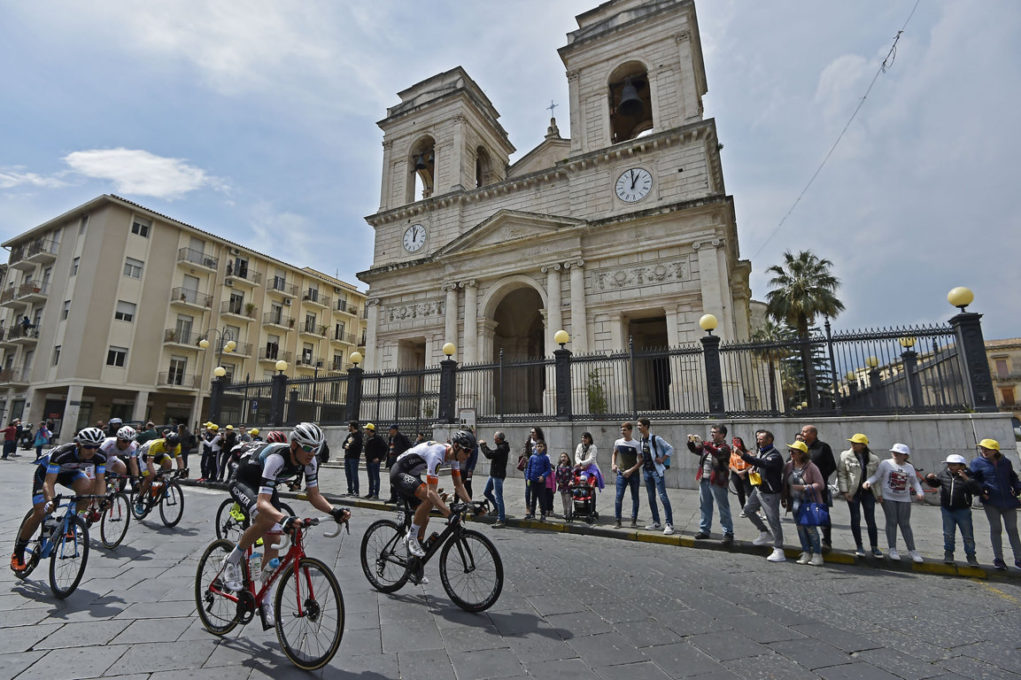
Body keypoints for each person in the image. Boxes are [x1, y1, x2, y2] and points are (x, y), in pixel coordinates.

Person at [221, 423, 350, 629]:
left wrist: (334, 511)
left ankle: (264, 601)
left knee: (274, 542)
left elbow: (314, 495)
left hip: (264, 484)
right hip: (244, 480)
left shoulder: (310, 462)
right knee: (267, 520)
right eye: (307, 448)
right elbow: (262, 503)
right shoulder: (276, 458)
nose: (312, 454)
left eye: (316, 449)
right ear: (294, 445)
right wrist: (283, 519)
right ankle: (231, 560)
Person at [11, 427, 108, 572]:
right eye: (88, 446)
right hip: (46, 474)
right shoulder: (62, 454)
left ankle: (71, 522)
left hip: (70, 473)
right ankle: (19, 550)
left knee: (87, 490)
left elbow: (100, 481)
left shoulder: (100, 456)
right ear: (79, 445)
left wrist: (102, 501)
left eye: (97, 446)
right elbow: (48, 483)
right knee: (40, 512)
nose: (92, 451)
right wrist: (50, 500)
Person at [390, 431, 475, 564]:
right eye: (467, 451)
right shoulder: (436, 455)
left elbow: (458, 486)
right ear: (457, 446)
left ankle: (415, 563)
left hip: (413, 474)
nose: (469, 455)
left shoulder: (454, 457)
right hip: (399, 472)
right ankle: (410, 537)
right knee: (430, 498)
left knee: (425, 517)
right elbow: (431, 493)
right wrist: (449, 515)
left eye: (471, 452)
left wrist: (472, 505)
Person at [863, 443, 925, 563]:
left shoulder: (909, 467)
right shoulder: (886, 463)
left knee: (904, 523)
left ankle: (912, 550)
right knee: (891, 521)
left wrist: (920, 491)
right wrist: (868, 482)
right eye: (894, 452)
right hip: (888, 497)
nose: (895, 455)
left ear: (905, 456)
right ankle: (892, 549)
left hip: (904, 498)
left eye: (899, 453)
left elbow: (914, 482)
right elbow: (877, 476)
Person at [969, 438, 1021, 570]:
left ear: (995, 450)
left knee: (1013, 529)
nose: (984, 451)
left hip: (1009, 501)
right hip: (991, 500)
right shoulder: (977, 462)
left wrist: (1017, 487)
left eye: (987, 449)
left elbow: (1013, 477)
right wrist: (982, 490)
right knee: (996, 528)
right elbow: (973, 480)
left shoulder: (1005, 462)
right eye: (982, 448)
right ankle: (999, 559)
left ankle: (1019, 559)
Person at [925, 454, 981, 566]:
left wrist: (966, 478)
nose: (950, 467)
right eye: (949, 464)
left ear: (962, 466)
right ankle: (949, 553)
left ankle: (971, 556)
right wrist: (929, 478)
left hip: (963, 510)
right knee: (948, 533)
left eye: (954, 465)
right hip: (947, 509)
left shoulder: (969, 475)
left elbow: (977, 490)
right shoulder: (944, 473)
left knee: (967, 535)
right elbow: (936, 483)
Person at [738, 430, 786, 562]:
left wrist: (743, 455)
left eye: (761, 439)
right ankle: (764, 532)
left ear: (770, 440)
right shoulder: (762, 450)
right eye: (758, 439)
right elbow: (758, 463)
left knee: (773, 520)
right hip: (759, 488)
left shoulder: (774, 455)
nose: (758, 441)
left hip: (770, 492)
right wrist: (754, 469)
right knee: (748, 510)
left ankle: (779, 549)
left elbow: (764, 463)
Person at [836, 433, 882, 558]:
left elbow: (876, 478)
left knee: (870, 519)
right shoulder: (845, 455)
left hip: (868, 492)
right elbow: (842, 474)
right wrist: (845, 491)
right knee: (855, 519)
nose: (853, 445)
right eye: (852, 442)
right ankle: (859, 546)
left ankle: (874, 547)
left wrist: (879, 494)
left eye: (856, 443)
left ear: (863, 445)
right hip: (853, 491)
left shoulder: (874, 459)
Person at [687, 424, 734, 544]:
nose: (712, 434)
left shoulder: (725, 448)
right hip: (704, 479)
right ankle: (704, 530)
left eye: (715, 432)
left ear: (722, 434)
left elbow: (716, 453)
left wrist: (703, 442)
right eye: (711, 432)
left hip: (717, 481)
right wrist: (691, 442)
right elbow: (696, 450)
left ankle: (728, 533)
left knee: (723, 508)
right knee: (705, 506)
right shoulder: (708, 445)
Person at [782, 441, 826, 566]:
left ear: (802, 454)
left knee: (811, 529)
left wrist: (804, 487)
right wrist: (783, 498)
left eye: (793, 452)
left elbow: (820, 484)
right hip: (795, 502)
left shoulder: (811, 467)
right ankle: (806, 552)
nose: (790, 453)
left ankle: (817, 554)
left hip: (809, 501)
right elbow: (785, 483)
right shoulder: (788, 466)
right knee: (800, 528)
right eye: (790, 451)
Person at [636, 417, 675, 535]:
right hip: (647, 471)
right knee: (651, 497)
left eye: (640, 425)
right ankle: (656, 521)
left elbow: (670, 449)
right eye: (637, 425)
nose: (638, 427)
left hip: (656, 471)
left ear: (646, 426)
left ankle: (669, 524)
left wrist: (662, 459)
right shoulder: (641, 440)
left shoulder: (655, 439)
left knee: (663, 496)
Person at [801, 425, 836, 550]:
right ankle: (810, 541)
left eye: (805, 431)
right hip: (804, 488)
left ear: (813, 434)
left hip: (819, 488)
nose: (802, 433)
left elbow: (831, 465)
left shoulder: (823, 447)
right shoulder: (801, 447)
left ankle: (826, 541)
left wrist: (819, 477)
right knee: (806, 513)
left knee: (822, 514)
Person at [135, 432, 184, 511]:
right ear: (166, 443)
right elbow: (149, 462)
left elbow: (180, 460)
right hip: (145, 456)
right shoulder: (155, 444)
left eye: (174, 447)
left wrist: (182, 470)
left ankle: (160, 487)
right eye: (171, 446)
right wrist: (153, 474)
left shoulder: (177, 445)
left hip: (159, 455)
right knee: (150, 477)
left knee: (168, 463)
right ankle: (139, 500)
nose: (172, 449)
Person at [611, 422, 643, 529]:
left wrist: (631, 470)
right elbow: (614, 453)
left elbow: (641, 460)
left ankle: (634, 520)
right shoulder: (618, 442)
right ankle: (618, 520)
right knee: (618, 496)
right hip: (621, 473)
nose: (622, 432)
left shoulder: (636, 444)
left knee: (635, 497)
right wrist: (613, 464)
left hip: (633, 474)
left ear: (630, 431)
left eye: (624, 430)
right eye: (621, 430)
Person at [479, 431, 509, 527]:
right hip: (494, 474)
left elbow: (489, 454)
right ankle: (497, 509)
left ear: (499, 439)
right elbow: (491, 453)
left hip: (498, 475)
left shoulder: (502, 448)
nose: (494, 440)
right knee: (487, 492)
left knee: (498, 496)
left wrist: (483, 446)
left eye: (495, 438)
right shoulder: (501, 446)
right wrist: (485, 446)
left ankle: (501, 519)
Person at [574, 432, 603, 512]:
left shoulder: (593, 447)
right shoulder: (579, 446)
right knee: (578, 483)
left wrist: (582, 464)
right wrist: (580, 464)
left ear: (589, 439)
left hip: (591, 467)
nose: (583, 439)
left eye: (585, 438)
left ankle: (592, 508)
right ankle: (582, 506)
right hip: (580, 467)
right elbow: (576, 456)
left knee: (591, 488)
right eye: (582, 438)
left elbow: (591, 459)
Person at [525, 440, 552, 521]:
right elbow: (528, 468)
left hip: (541, 482)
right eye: (538, 446)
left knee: (542, 498)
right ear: (535, 447)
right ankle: (532, 514)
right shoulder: (532, 457)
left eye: (541, 446)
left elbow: (548, 470)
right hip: (532, 481)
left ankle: (543, 514)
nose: (539, 448)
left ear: (543, 447)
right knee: (533, 498)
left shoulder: (545, 458)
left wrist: (543, 476)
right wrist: (527, 478)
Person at [385, 424, 412, 503]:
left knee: (399, 480)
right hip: (391, 460)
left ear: (395, 430)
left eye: (390, 429)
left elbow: (409, 448)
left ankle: (401, 498)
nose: (389, 431)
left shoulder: (402, 437)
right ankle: (393, 497)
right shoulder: (390, 438)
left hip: (399, 461)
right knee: (392, 480)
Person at [522, 427, 545, 511]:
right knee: (528, 488)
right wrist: (531, 462)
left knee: (539, 487)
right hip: (528, 468)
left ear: (537, 433)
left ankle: (539, 505)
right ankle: (528, 507)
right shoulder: (528, 442)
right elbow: (524, 454)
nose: (531, 434)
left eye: (533, 432)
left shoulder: (541, 443)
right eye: (531, 432)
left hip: (539, 469)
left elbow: (544, 455)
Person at [363, 423, 386, 499]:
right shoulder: (368, 438)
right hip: (369, 461)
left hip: (375, 461)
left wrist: (379, 458)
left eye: (366, 429)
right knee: (370, 478)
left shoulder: (378, 438)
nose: (365, 430)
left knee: (376, 478)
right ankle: (370, 493)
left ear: (370, 430)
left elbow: (385, 448)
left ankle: (376, 494)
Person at [730, 437, 753, 514]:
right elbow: (730, 465)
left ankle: (753, 509)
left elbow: (751, 463)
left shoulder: (747, 453)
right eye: (734, 442)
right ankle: (744, 509)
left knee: (749, 492)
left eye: (738, 442)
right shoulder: (731, 453)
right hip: (736, 474)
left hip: (746, 473)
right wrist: (738, 472)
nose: (736, 444)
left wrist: (744, 471)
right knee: (740, 492)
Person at [342, 421, 363, 497]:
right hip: (347, 457)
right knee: (348, 474)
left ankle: (356, 492)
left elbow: (355, 445)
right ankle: (350, 490)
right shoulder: (349, 435)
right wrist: (347, 445)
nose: (348, 427)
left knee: (354, 475)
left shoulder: (358, 436)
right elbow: (343, 444)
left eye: (349, 426)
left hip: (354, 457)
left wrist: (348, 446)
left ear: (353, 427)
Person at [555, 453, 573, 520]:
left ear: (567, 459)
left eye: (565, 457)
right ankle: (565, 513)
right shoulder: (559, 467)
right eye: (562, 457)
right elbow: (556, 476)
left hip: (568, 486)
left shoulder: (570, 467)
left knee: (568, 500)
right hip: (562, 486)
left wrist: (571, 481)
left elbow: (572, 476)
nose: (563, 458)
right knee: (563, 500)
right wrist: (559, 481)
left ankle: (569, 513)